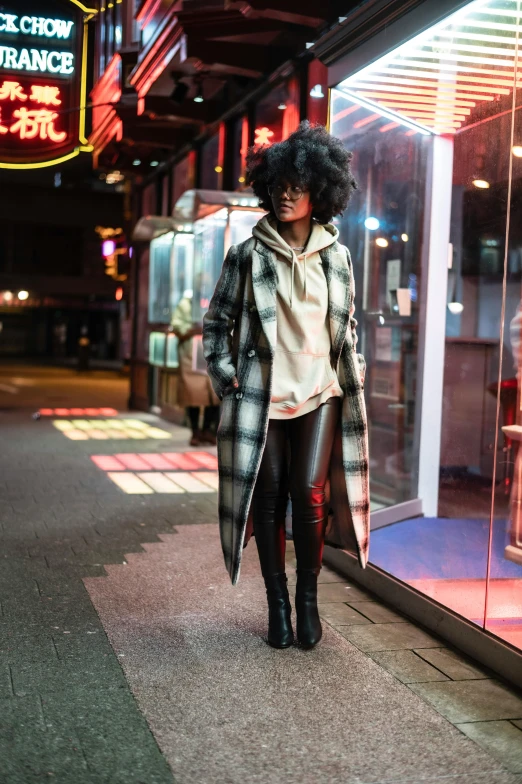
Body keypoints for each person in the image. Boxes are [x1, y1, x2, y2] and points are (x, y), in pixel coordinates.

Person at [202, 122, 369, 650]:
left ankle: (308, 601)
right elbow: (215, 325)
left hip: (320, 392)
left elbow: (346, 325)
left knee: (309, 492)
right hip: (263, 396)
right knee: (270, 497)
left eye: (298, 183)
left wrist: (353, 367)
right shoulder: (246, 255)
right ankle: (276, 605)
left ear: (321, 189)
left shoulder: (338, 258)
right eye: (278, 184)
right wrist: (229, 379)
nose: (286, 192)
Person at [171, 289, 220, 446]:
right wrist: (193, 330)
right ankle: (195, 432)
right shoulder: (185, 304)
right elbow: (177, 327)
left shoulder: (216, 300)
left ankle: (207, 430)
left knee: (213, 395)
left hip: (211, 355)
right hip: (190, 357)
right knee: (192, 395)